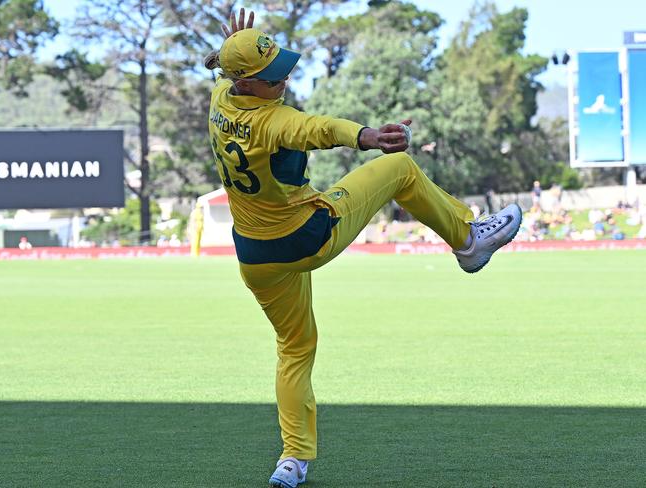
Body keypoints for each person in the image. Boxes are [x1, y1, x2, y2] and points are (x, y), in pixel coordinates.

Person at [205, 9, 522, 487]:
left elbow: (220, 70)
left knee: (294, 348)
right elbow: (319, 129)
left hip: (255, 256)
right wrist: (369, 136)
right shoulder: (275, 122)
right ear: (247, 85)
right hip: (306, 236)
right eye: (272, 77)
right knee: (399, 170)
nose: (284, 79)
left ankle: (292, 462)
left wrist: (235, 49)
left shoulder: (218, 99)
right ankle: (468, 239)